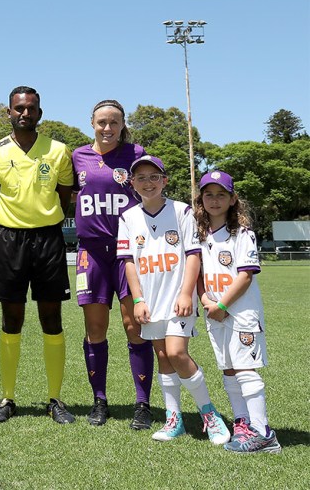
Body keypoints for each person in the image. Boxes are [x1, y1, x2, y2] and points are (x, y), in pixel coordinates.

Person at [0, 86, 76, 424]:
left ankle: (55, 399)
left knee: (52, 318)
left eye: (31, 108)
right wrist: (8, 223)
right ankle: (7, 398)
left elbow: (66, 198)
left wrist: (43, 219)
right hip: (10, 241)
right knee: (11, 319)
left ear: (40, 113)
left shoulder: (59, 151)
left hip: (48, 240)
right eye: (19, 108)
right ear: (9, 113)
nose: (25, 113)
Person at [117, 155, 230, 444]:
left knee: (177, 352)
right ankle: (173, 417)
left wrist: (185, 292)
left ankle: (209, 414)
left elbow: (193, 255)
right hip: (149, 300)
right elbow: (129, 263)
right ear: (132, 183)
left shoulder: (182, 211)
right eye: (141, 177)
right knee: (163, 355)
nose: (148, 182)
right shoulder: (128, 217)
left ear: (164, 181)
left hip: (178, 298)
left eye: (154, 177)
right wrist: (138, 299)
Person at [71, 100, 155, 428]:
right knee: (95, 328)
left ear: (122, 125)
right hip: (90, 253)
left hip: (128, 252)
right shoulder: (77, 157)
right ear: (91, 123)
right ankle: (100, 400)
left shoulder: (136, 154)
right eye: (102, 122)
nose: (108, 128)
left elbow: (150, 190)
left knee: (134, 325)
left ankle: (143, 404)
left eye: (114, 123)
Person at [195, 170, 281, 453]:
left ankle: (263, 432)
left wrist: (220, 305)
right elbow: (199, 274)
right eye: (209, 194)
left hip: (240, 314)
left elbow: (245, 277)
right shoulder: (200, 235)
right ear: (201, 199)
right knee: (229, 369)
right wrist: (205, 299)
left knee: (245, 369)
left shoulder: (243, 234)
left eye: (221, 194)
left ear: (233, 200)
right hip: (215, 313)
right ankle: (242, 424)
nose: (215, 200)